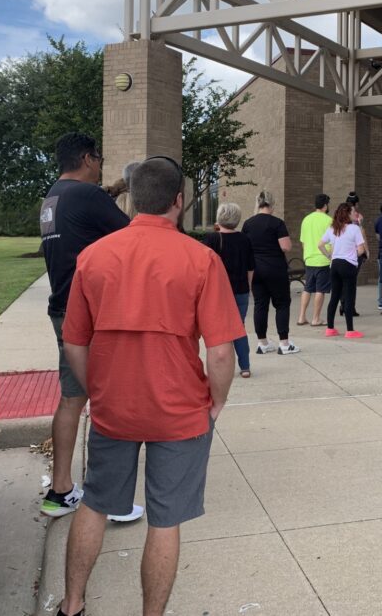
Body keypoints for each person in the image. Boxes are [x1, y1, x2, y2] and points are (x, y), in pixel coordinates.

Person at [57, 156, 243, 616]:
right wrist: (216, 403)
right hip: (179, 409)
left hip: (112, 405)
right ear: (178, 201)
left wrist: (96, 390)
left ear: (134, 199)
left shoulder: (94, 256)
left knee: (96, 503)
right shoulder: (200, 259)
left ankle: (71, 605)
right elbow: (220, 353)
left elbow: (74, 342)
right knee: (165, 520)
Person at [39, 133, 136, 520]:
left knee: (72, 398)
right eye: (98, 158)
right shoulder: (87, 195)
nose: (100, 166)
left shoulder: (53, 197)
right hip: (94, 315)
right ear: (86, 158)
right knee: (111, 400)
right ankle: (111, 500)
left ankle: (60, 491)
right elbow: (136, 236)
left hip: (63, 309)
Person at [241, 191, 300, 355]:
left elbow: (245, 247)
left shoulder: (248, 224)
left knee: (260, 305)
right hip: (275, 268)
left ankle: (263, 343)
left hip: (256, 269)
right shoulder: (277, 223)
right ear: (272, 204)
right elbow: (286, 246)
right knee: (282, 304)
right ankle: (284, 343)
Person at [204, 203, 255, 377]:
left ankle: (220, 366)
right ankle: (245, 366)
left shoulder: (211, 239)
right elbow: (250, 267)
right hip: (240, 289)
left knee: (218, 331)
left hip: (217, 291)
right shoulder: (244, 239)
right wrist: (248, 287)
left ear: (219, 218)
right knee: (238, 328)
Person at [318, 203, 367, 338]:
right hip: (348, 265)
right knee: (349, 297)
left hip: (334, 265)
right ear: (348, 214)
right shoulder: (354, 229)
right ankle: (350, 330)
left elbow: (320, 245)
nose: (355, 213)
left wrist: (329, 256)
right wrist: (353, 254)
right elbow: (361, 249)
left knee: (334, 296)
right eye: (353, 212)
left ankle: (330, 328)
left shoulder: (333, 228)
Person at [298, 193, 332, 327]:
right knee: (320, 290)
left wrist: (306, 254)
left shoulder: (306, 219)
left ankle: (301, 317)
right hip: (323, 259)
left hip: (309, 258)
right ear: (325, 205)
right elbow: (333, 241)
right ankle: (316, 318)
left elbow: (303, 241)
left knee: (307, 288)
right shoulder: (329, 220)